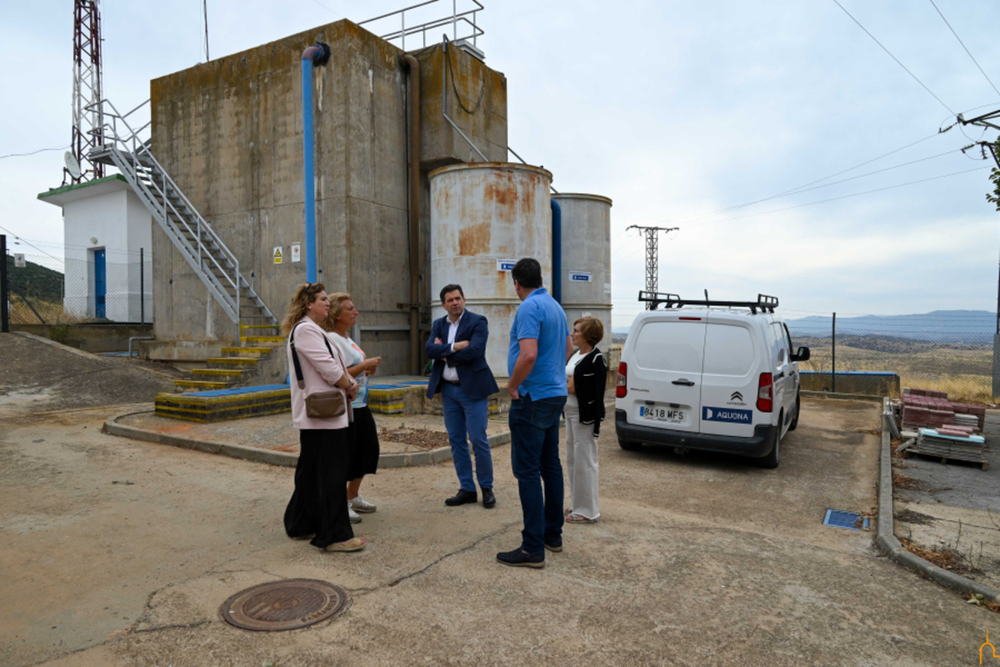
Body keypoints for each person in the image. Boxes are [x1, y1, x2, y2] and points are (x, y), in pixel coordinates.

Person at [497, 258, 572, 568]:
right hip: (554, 393)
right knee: (550, 465)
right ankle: (552, 535)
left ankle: (532, 548)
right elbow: (568, 349)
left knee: (527, 471)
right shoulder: (556, 306)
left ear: (516, 283)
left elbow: (528, 353)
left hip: (532, 396)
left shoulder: (528, 307)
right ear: (540, 278)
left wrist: (513, 386)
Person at [281, 283, 364, 553]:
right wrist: (349, 383)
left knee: (311, 472)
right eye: (322, 299)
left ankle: (300, 523)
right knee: (331, 474)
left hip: (320, 416)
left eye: (328, 299)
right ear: (308, 304)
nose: (327, 303)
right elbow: (328, 368)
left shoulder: (311, 329)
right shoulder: (306, 330)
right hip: (324, 416)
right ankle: (334, 536)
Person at [425, 283, 500, 508]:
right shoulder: (438, 324)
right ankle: (467, 488)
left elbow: (476, 351)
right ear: (444, 304)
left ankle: (487, 488)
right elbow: (429, 350)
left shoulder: (478, 321)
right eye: (450, 300)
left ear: (464, 300)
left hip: (473, 390)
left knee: (478, 439)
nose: (455, 302)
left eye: (458, 298)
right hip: (448, 391)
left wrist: (444, 352)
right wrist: (456, 346)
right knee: (456, 440)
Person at [325, 293, 383, 524]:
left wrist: (367, 368)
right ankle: (340, 502)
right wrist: (364, 366)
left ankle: (353, 495)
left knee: (367, 451)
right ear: (337, 315)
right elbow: (335, 374)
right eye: (350, 309)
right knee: (345, 455)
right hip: (345, 407)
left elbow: (353, 368)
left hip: (361, 404)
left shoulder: (347, 338)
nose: (355, 312)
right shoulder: (331, 339)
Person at [564, 317, 608, 525]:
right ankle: (577, 504)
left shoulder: (596, 359)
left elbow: (587, 390)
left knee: (586, 461)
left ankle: (589, 511)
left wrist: (569, 384)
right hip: (570, 412)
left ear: (588, 335)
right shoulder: (575, 355)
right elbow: (568, 383)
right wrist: (569, 384)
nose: (573, 334)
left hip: (585, 416)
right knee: (573, 459)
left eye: (577, 331)